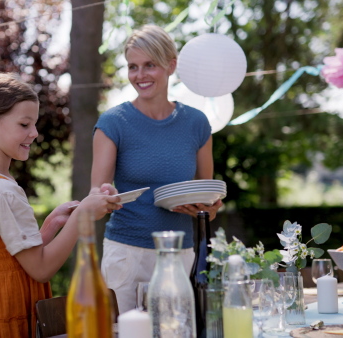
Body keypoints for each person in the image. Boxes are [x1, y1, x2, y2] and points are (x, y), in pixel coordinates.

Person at [0, 73, 122, 337]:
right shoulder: (2, 190)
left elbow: (11, 254)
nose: (34, 133)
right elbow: (41, 269)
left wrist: (50, 227)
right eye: (25, 124)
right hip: (3, 316)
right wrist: (81, 217)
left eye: (34, 124)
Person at [91, 24, 223, 313]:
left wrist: (208, 209)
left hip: (179, 252)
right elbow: (95, 197)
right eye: (133, 67)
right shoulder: (113, 123)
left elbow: (208, 198)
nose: (140, 75)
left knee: (177, 332)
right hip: (127, 255)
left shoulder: (197, 123)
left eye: (150, 65)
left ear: (170, 65)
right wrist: (105, 196)